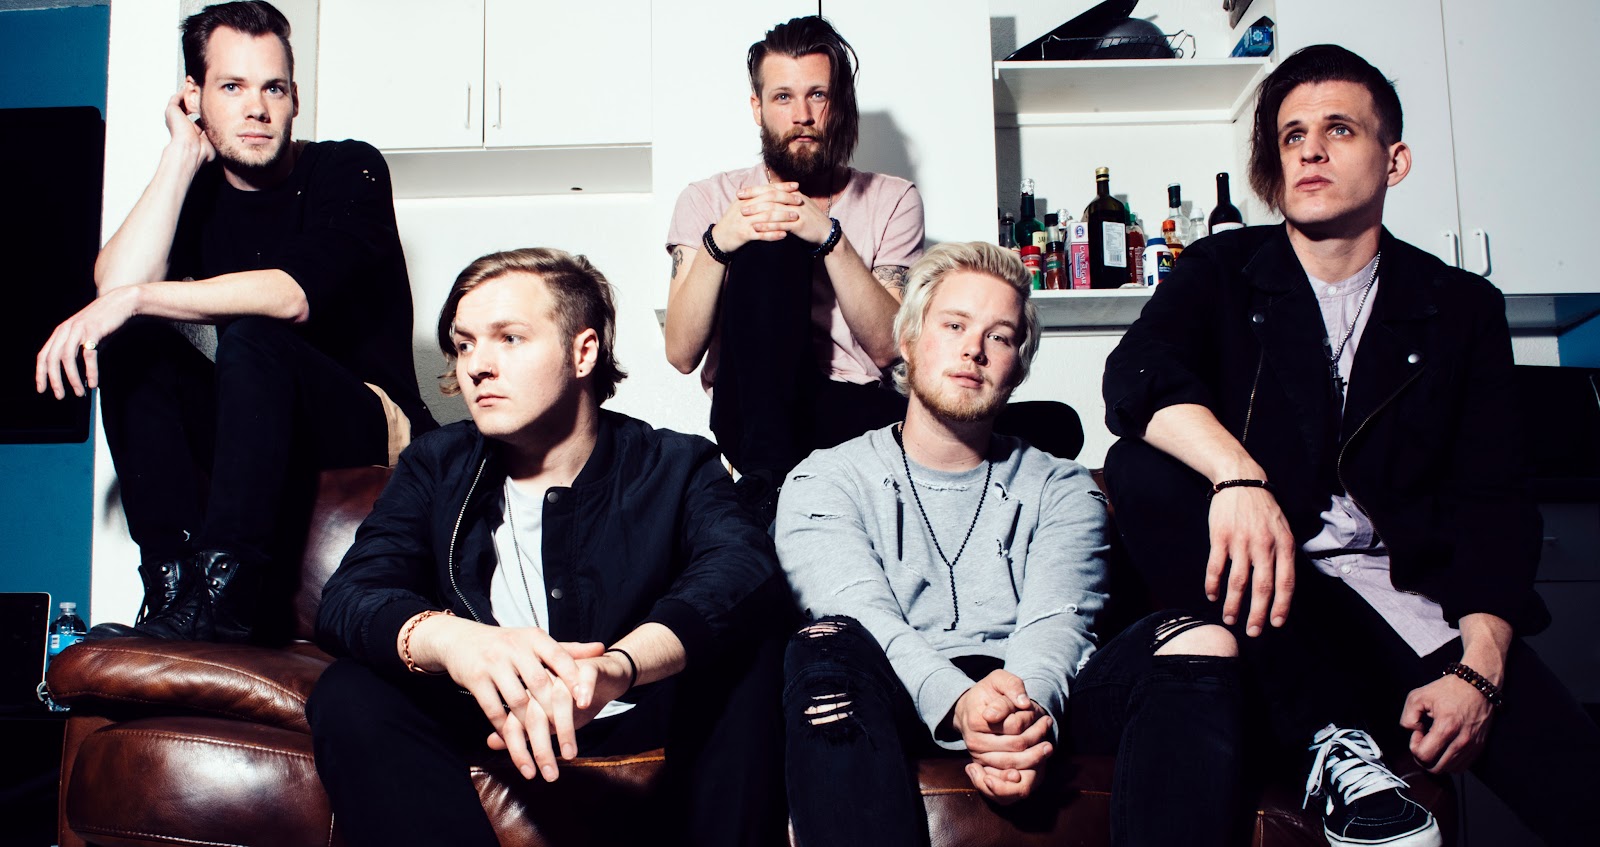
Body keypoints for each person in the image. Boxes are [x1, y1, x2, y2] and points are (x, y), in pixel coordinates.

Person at [1102, 44, 1600, 847]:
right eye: (1293, 135)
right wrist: (1237, 478)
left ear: (1393, 160)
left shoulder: (1460, 306)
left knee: (1581, 790)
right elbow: (1135, 376)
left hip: (1412, 604)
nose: (1310, 150)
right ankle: (1331, 738)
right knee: (1141, 468)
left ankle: (1347, 728)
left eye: (1339, 129)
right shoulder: (1223, 269)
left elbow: (1495, 501)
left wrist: (1479, 668)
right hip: (1273, 600)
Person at [308, 249, 789, 847]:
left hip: (637, 710)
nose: (477, 366)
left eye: (509, 338)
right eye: (464, 345)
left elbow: (740, 571)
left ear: (582, 352)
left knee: (753, 654)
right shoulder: (436, 463)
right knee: (349, 690)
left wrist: (617, 668)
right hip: (485, 713)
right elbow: (352, 594)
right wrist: (459, 642)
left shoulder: (676, 462)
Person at [777, 241, 1244, 847]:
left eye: (999, 336)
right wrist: (959, 703)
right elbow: (859, 611)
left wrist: (1023, 719)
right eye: (954, 325)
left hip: (1035, 693)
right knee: (824, 643)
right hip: (894, 694)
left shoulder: (1063, 486)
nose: (974, 349)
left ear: (1017, 369)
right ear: (909, 340)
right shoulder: (825, 477)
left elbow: (1059, 620)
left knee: (1203, 639)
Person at [34, 1, 435, 643]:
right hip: (256, 415)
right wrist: (179, 156)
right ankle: (170, 590)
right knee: (135, 341)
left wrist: (136, 298)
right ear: (193, 97)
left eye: (273, 88)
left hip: (365, 417)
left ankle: (226, 599)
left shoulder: (347, 169)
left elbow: (291, 295)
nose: (257, 108)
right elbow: (114, 287)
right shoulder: (197, 193)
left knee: (252, 332)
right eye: (231, 87)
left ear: (295, 99)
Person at [663, 15, 925, 506]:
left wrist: (828, 237)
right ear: (758, 108)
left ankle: (772, 490)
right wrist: (722, 241)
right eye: (783, 97)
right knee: (770, 234)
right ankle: (770, 477)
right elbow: (680, 353)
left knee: (1056, 424)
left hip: (855, 411)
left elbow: (890, 348)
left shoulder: (893, 198)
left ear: (838, 104)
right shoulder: (707, 198)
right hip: (751, 414)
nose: (802, 114)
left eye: (817, 95)